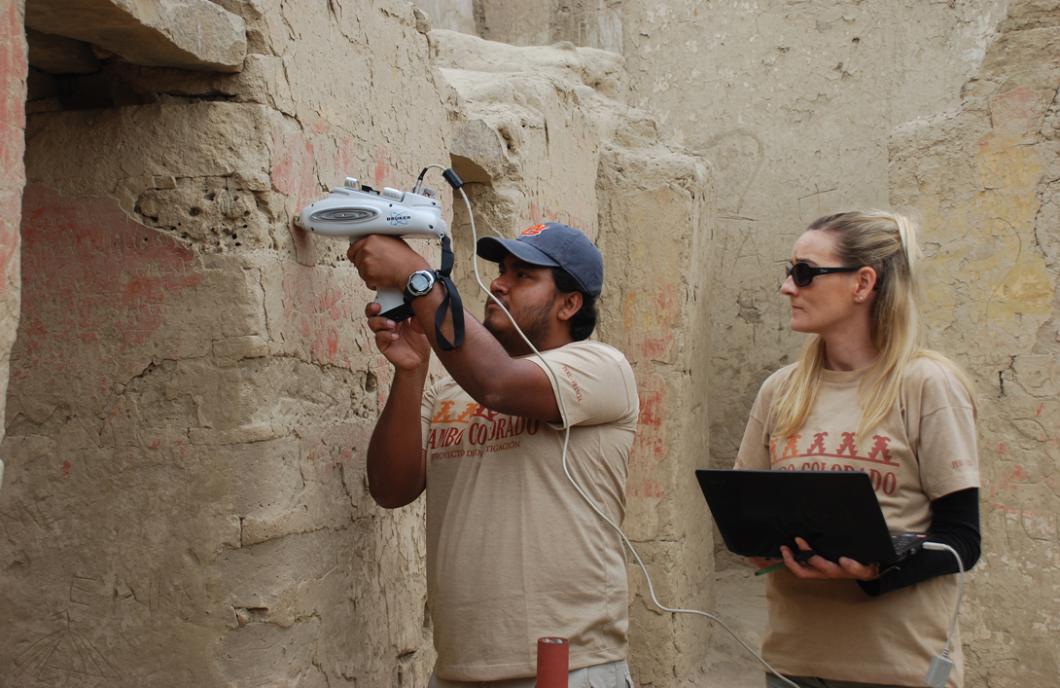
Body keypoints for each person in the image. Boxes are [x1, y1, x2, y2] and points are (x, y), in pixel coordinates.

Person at [348, 222, 639, 687]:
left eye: (524, 275)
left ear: (570, 303)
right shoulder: (448, 387)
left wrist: (417, 276)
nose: (499, 283)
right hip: (459, 668)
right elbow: (391, 488)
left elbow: (497, 384)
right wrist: (412, 370)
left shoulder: (601, 367)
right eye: (501, 270)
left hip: (567, 668)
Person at [734, 211, 981, 688]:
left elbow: (962, 542)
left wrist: (876, 568)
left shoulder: (927, 385)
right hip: (792, 667)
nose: (788, 287)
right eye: (788, 272)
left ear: (863, 283)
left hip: (899, 670)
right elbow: (748, 523)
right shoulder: (779, 390)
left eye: (804, 272)